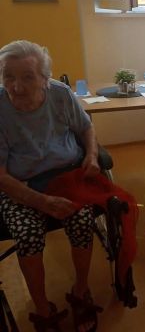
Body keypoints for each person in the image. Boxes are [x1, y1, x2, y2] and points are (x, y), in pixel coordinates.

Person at [0, 40, 102, 331]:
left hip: (65, 175)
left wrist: (92, 155)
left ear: (45, 79)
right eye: (8, 76)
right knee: (28, 234)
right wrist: (42, 202)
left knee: (82, 220)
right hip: (19, 184)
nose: (16, 86)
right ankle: (42, 308)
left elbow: (86, 127)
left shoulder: (60, 94)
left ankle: (81, 290)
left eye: (27, 77)